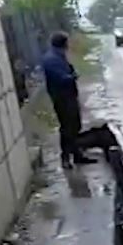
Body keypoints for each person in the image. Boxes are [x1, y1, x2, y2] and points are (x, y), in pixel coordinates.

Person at [39, 32, 96, 167]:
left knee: (75, 125)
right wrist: (72, 76)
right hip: (61, 97)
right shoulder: (52, 59)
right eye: (67, 43)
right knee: (67, 127)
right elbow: (61, 78)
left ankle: (77, 154)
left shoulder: (57, 55)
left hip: (68, 95)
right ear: (63, 43)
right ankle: (65, 158)